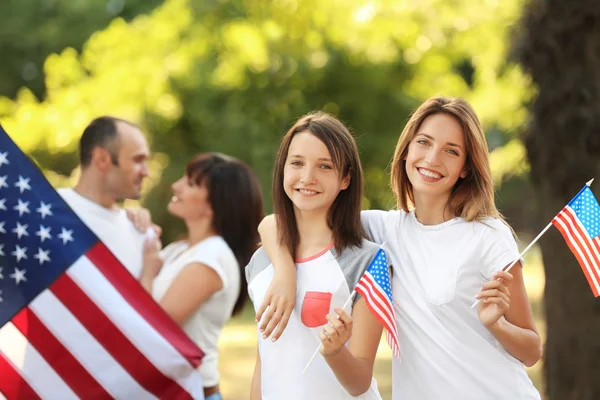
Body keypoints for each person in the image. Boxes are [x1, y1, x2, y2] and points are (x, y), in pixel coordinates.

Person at [257, 97, 543, 399]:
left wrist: (496, 325)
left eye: (451, 151)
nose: (433, 159)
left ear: (465, 168)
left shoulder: (488, 235)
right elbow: (274, 223)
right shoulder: (384, 229)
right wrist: (285, 273)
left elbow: (532, 350)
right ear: (406, 150)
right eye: (424, 142)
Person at [247, 112, 387, 399]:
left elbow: (360, 382)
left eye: (325, 166)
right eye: (297, 163)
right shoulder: (261, 262)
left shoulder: (367, 261)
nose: (307, 178)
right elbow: (265, 359)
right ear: (283, 168)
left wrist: (335, 352)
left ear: (346, 178)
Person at [140, 153, 264, 400]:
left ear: (214, 204)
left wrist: (148, 271)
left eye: (189, 183)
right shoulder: (180, 249)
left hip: (189, 392)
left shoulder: (212, 257)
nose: (176, 186)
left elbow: (152, 327)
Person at [58, 116, 152, 279]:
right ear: (102, 159)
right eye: (137, 160)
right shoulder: (48, 211)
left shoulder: (141, 232)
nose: (146, 172)